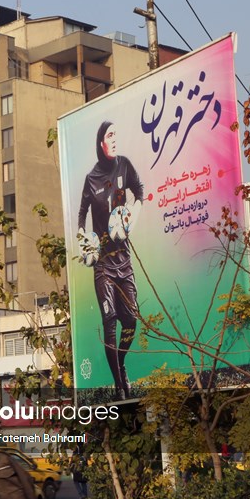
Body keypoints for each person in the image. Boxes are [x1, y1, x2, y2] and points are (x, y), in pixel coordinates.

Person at [77, 121, 144, 400]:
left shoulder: (125, 166)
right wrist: (84, 243)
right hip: (103, 264)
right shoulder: (91, 178)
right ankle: (119, 386)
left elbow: (140, 192)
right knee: (110, 320)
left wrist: (131, 217)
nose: (115, 139)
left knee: (131, 321)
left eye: (117, 134)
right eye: (110, 135)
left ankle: (121, 364)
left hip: (124, 260)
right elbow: (81, 214)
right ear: (101, 142)